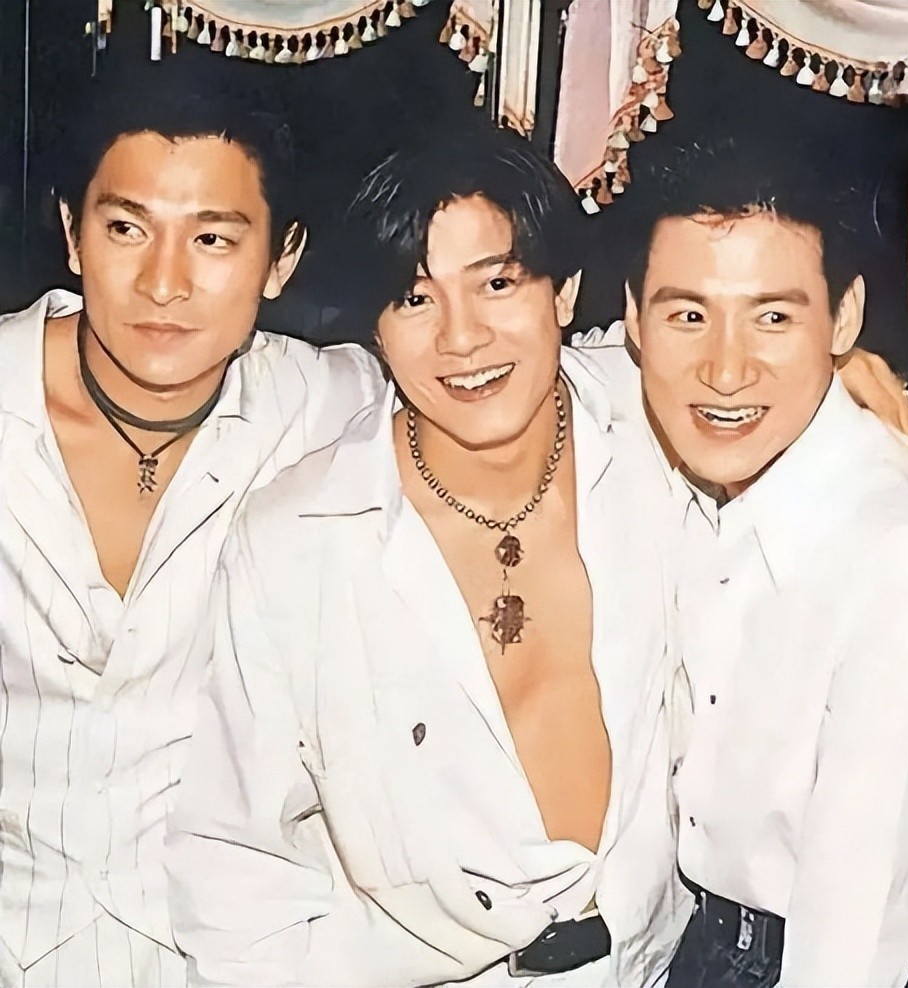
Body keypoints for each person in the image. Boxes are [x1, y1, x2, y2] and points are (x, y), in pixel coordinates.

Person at [164, 126, 692, 987]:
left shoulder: (661, 430)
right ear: (376, 329)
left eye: (497, 283)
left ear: (564, 292)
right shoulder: (300, 537)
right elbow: (233, 862)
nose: (462, 338)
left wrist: (854, 376)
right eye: (415, 299)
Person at [0, 77, 381, 985]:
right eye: (126, 229)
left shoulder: (335, 410)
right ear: (72, 235)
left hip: (231, 956)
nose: (163, 283)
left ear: (282, 260)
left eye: (212, 239)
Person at [606, 138, 908, 987]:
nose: (725, 368)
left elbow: (857, 935)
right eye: (687, 316)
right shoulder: (689, 457)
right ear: (633, 320)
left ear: (844, 318)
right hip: (705, 940)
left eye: (774, 318)